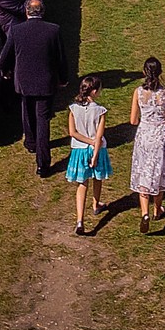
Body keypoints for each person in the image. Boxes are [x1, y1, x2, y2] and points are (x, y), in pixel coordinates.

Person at [0, 0, 70, 175]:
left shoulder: (17, 31)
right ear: (43, 12)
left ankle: (31, 142)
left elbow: (4, 56)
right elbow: (60, 58)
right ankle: (43, 164)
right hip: (46, 82)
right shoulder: (53, 30)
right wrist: (63, 79)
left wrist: (5, 71)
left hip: (24, 81)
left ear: (26, 11)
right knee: (43, 120)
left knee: (27, 112)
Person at [129, 57, 165, 233]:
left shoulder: (138, 92)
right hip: (161, 136)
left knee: (144, 171)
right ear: (160, 72)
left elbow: (133, 120)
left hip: (145, 135)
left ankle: (145, 212)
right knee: (160, 173)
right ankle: (157, 209)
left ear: (144, 72)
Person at [65, 75, 112, 234]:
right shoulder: (100, 111)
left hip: (78, 150)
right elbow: (98, 137)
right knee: (97, 177)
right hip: (96, 150)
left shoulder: (73, 108)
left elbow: (72, 132)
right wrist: (94, 150)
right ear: (93, 91)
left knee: (82, 183)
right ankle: (96, 204)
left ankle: (79, 220)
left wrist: (86, 141)